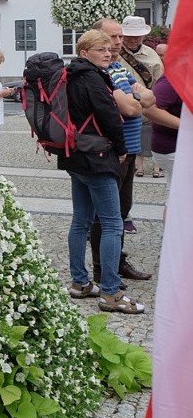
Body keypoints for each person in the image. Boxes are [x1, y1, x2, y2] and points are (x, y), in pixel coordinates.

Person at [59, 29, 143, 315]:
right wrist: (121, 149)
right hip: (97, 158)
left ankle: (80, 282)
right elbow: (110, 117)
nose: (108, 53)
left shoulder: (70, 76)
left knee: (81, 220)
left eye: (109, 49)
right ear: (84, 53)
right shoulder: (93, 78)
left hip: (77, 156)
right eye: (101, 49)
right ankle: (110, 292)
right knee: (112, 223)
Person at [88, 19, 153, 286]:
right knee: (105, 216)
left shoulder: (117, 68)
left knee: (122, 210)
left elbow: (150, 100)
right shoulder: (100, 72)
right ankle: (102, 270)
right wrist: (138, 99)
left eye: (119, 37)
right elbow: (132, 109)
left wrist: (138, 98)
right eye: (112, 37)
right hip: (114, 152)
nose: (117, 42)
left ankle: (117, 261)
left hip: (129, 150)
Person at [119, 15, 164, 177]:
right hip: (123, 106)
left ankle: (156, 167)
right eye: (129, 35)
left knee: (153, 135)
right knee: (130, 139)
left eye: (136, 35)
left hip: (148, 105)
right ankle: (137, 167)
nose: (133, 39)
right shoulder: (114, 53)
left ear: (143, 36)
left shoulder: (152, 54)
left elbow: (160, 81)